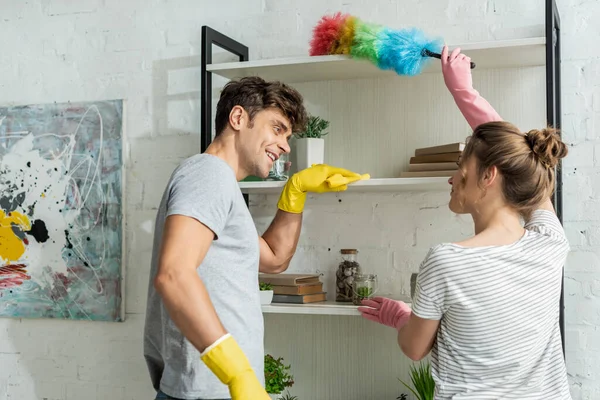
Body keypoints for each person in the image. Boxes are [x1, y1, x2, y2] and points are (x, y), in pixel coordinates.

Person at [358, 45, 572, 399]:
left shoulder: (447, 261)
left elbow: (414, 348)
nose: (452, 180)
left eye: (460, 170)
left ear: (488, 176)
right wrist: (464, 91)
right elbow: (518, 160)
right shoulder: (550, 243)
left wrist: (400, 315)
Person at [144, 76, 367, 400]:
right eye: (277, 128)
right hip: (209, 389)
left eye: (288, 136)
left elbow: (274, 258)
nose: (286, 145)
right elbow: (174, 275)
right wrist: (235, 372)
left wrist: (296, 190)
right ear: (238, 119)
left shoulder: (220, 184)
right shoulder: (208, 174)